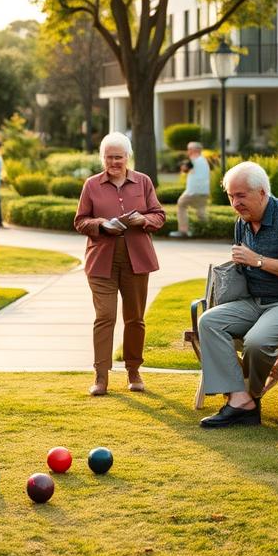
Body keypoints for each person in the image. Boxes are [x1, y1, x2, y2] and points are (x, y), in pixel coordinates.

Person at [197, 161, 278, 429]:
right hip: (258, 302)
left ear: (262, 192)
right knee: (209, 321)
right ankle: (240, 400)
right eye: (231, 196)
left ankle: (247, 400)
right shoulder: (242, 223)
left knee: (257, 341)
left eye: (241, 195)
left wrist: (257, 260)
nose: (235, 203)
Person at [73, 132, 167, 395]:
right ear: (102, 158)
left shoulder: (143, 182)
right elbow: (80, 221)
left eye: (119, 157)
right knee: (105, 317)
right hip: (101, 261)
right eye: (109, 157)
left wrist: (143, 221)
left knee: (135, 318)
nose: (114, 162)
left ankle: (134, 371)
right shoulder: (91, 185)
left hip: (137, 260)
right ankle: (100, 377)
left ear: (128, 157)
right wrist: (101, 224)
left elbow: (159, 215)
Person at [169, 141, 211, 238]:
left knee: (181, 204)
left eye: (189, 149)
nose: (188, 151)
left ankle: (183, 231)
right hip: (204, 190)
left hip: (193, 191)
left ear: (195, 150)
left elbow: (185, 168)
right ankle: (207, 231)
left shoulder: (193, 159)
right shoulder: (204, 160)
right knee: (201, 211)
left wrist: (184, 166)